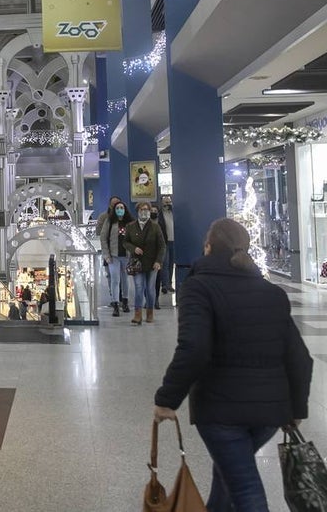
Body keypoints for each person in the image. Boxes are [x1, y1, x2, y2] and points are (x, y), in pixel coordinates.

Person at [153, 218, 313, 512]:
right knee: (227, 473)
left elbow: (195, 348)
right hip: (268, 414)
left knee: (246, 488)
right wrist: (297, 408)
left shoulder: (198, 287)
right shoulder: (272, 293)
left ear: (208, 247)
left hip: (221, 410)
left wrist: (167, 399)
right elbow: (300, 357)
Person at [122, 201, 165, 325]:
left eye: (146, 209)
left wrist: (158, 261)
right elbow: (125, 242)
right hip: (137, 263)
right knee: (139, 288)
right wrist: (133, 248)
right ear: (138, 211)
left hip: (152, 264)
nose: (144, 212)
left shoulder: (155, 227)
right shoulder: (130, 226)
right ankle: (137, 314)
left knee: (150, 289)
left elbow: (162, 246)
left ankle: (150, 312)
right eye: (142, 209)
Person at [96, 197, 133, 317]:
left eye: (122, 208)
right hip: (113, 256)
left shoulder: (130, 223)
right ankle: (115, 303)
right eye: (117, 208)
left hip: (126, 256)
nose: (120, 210)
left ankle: (125, 301)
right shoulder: (109, 221)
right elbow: (103, 237)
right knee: (115, 280)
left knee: (125, 279)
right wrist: (106, 255)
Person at [152, 202, 171, 309]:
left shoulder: (160, 224)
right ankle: (149, 299)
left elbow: (163, 241)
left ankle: (156, 299)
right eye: (152, 211)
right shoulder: (144, 223)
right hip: (146, 255)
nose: (153, 213)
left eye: (155, 211)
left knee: (157, 277)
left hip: (157, 255)